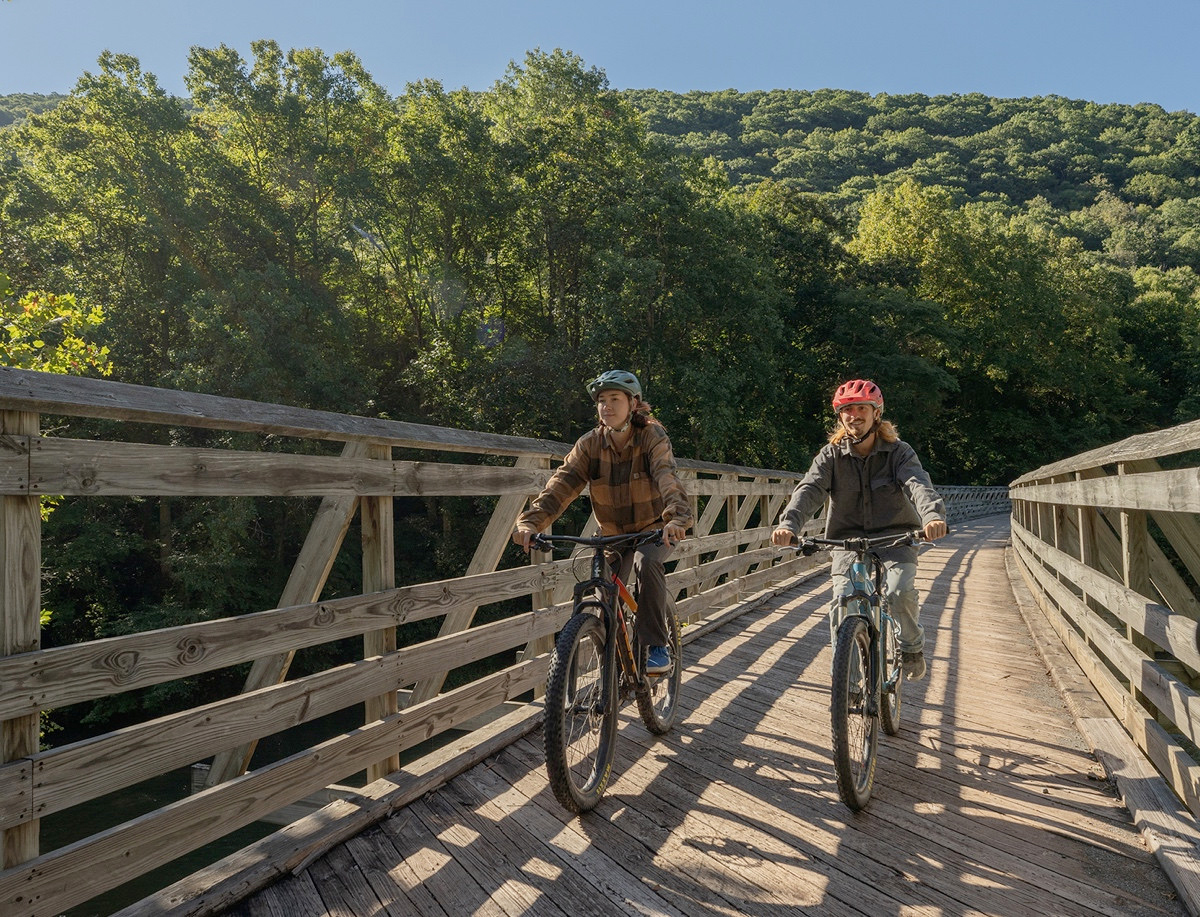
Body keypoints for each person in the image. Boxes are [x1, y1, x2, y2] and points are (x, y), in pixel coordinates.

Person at [512, 369, 691, 675]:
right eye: (602, 400)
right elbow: (561, 485)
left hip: (653, 529)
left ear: (633, 403)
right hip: (612, 534)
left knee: (646, 565)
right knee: (603, 596)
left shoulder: (651, 436)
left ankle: (656, 646)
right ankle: (610, 667)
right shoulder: (589, 444)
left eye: (614, 399)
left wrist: (675, 517)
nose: (607, 406)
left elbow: (667, 475)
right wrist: (531, 523)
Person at [770, 379, 947, 681]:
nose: (854, 415)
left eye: (861, 408)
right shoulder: (830, 456)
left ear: (876, 413)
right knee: (843, 600)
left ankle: (911, 647)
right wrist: (789, 524)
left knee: (899, 591)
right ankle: (848, 684)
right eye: (847, 409)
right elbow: (809, 489)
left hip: (896, 538)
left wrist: (932, 517)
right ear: (840, 416)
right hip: (847, 541)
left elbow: (918, 483)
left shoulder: (899, 452)